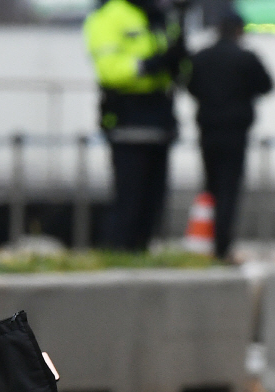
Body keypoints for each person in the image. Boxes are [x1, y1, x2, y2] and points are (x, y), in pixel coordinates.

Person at [83, 0, 188, 252]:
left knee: (155, 196)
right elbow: (110, 70)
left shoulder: (160, 16)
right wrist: (150, 64)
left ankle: (141, 249)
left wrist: (178, 61)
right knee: (129, 194)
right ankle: (119, 248)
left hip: (160, 115)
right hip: (127, 115)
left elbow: (179, 68)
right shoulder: (108, 16)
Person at [187, 9, 273, 261]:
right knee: (229, 189)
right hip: (235, 131)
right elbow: (267, 85)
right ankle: (221, 245)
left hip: (208, 129)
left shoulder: (201, 57)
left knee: (211, 187)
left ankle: (208, 243)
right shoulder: (245, 58)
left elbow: (190, 86)